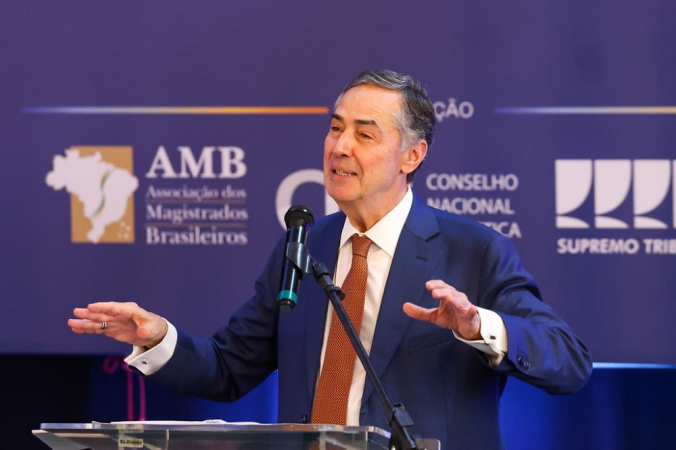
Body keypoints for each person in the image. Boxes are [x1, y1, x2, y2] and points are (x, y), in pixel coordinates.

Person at [69, 69, 593, 450]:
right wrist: (158, 337)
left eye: (365, 134)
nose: (340, 146)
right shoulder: (304, 246)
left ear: (412, 155)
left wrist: (480, 327)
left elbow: (569, 362)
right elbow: (228, 369)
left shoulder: (473, 250)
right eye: (336, 127)